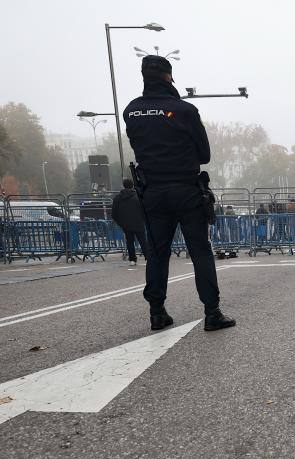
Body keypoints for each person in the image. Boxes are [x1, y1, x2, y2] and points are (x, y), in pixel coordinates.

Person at [123, 55, 236, 332]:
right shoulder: (184, 110)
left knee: (157, 254)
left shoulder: (131, 111)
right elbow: (205, 154)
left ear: (143, 77)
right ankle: (212, 313)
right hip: (186, 190)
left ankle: (157, 312)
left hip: (153, 193)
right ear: (168, 77)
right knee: (200, 252)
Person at [111, 178, 150, 266]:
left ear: (123, 186)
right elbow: (145, 209)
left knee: (129, 242)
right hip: (139, 222)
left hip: (126, 224)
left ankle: (132, 259)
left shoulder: (117, 198)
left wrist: (120, 223)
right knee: (143, 241)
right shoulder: (138, 196)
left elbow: (114, 213)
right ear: (132, 186)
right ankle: (148, 257)